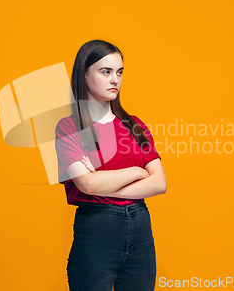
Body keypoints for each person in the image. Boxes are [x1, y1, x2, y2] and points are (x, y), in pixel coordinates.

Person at [55, 39, 167, 291]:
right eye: (105, 72)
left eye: (119, 72)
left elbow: (160, 183)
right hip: (96, 230)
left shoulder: (134, 125)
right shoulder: (69, 127)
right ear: (84, 74)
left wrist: (101, 185)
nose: (115, 80)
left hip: (140, 230)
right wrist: (137, 172)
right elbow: (87, 183)